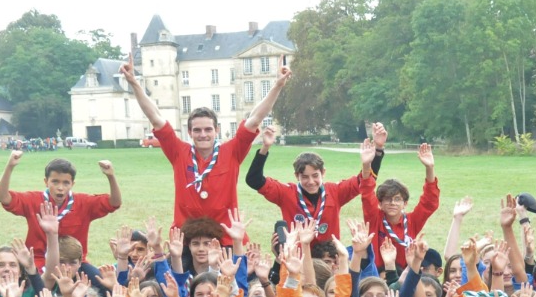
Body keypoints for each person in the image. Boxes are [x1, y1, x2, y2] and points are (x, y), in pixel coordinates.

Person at [119, 58, 290, 231]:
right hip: (186, 238)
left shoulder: (232, 151)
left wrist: (277, 85)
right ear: (189, 132)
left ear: (217, 130)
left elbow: (255, 119)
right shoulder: (178, 151)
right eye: (197, 130)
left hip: (225, 236)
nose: (203, 135)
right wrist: (133, 82)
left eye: (208, 129)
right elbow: (155, 117)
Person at [246, 132, 377, 250]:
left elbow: (364, 182)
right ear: (296, 176)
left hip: (329, 261)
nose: (310, 182)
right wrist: (265, 148)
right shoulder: (286, 193)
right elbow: (253, 179)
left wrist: (367, 163)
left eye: (315, 176)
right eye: (304, 177)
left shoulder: (335, 192)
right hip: (298, 260)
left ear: (323, 173)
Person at [0, 153, 121, 271]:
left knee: (101, 283)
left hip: (74, 262)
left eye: (66, 183)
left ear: (72, 184)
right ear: (46, 182)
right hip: (39, 261)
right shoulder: (33, 200)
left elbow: (115, 202)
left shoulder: (84, 202)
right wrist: (10, 166)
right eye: (55, 181)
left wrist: (111, 176)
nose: (60, 187)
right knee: (37, 288)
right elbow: (3, 198)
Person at [361, 143, 440, 277]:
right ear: (379, 203)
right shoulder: (374, 218)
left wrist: (429, 167)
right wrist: (366, 166)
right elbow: (367, 193)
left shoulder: (412, 221)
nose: (392, 203)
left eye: (397, 199)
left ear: (405, 203)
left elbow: (429, 202)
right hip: (377, 276)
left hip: (405, 275)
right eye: (387, 199)